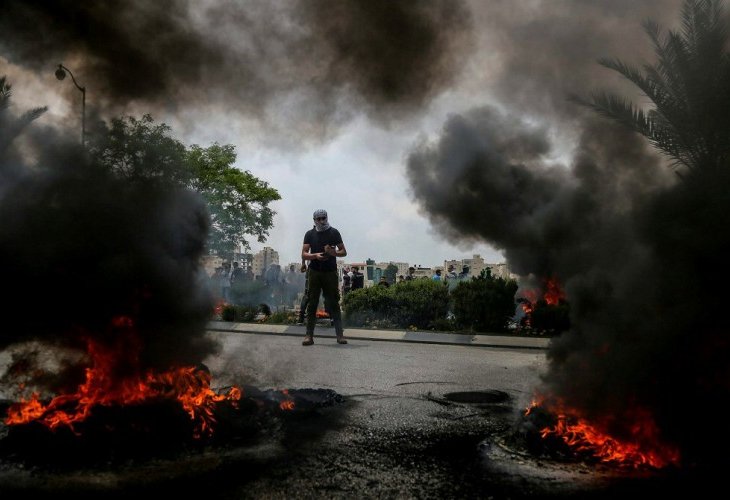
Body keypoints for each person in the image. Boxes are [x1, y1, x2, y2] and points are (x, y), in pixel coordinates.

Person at [301, 209, 348, 346]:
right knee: (312, 303)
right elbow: (304, 253)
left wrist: (332, 252)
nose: (322, 221)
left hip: (330, 272)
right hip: (315, 272)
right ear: (314, 220)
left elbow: (343, 251)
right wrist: (315, 256)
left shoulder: (334, 232)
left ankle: (340, 335)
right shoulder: (309, 234)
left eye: (324, 218)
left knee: (334, 302)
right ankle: (309, 336)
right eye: (319, 219)